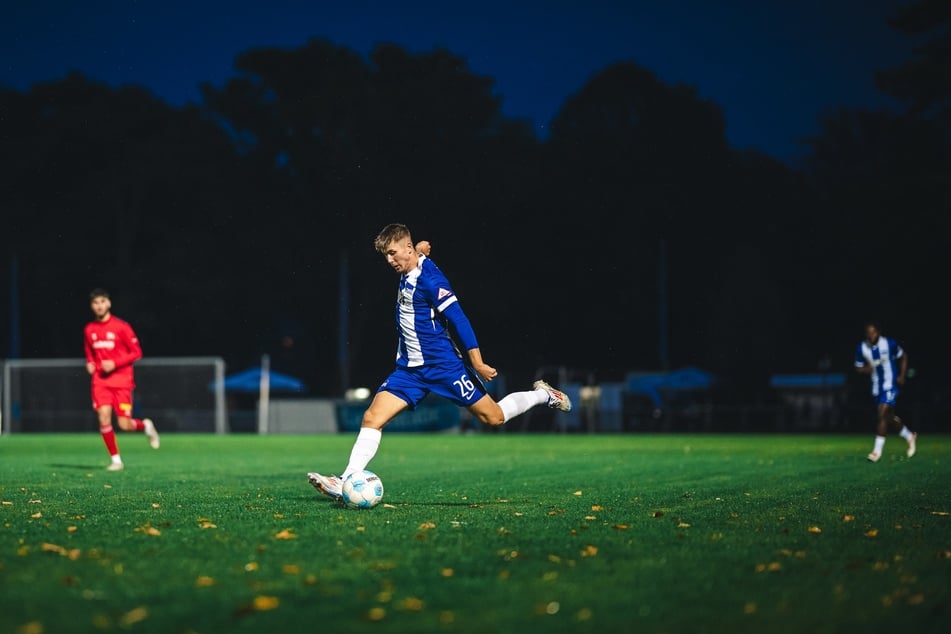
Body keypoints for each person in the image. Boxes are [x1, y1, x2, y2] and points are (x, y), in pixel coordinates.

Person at [308, 224, 572, 499]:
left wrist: (478, 363)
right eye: (386, 255)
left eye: (392, 253)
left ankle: (543, 395)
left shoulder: (431, 281)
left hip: (445, 367)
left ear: (407, 249)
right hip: (409, 370)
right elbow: (417, 254)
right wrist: (419, 249)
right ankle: (346, 480)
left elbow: (459, 319)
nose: (389, 261)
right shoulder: (411, 261)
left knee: (494, 417)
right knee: (372, 417)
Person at [84, 288, 160, 470]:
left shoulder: (121, 327)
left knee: (124, 425)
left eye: (102, 302)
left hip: (121, 382)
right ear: (91, 306)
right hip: (100, 381)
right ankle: (116, 460)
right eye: (95, 303)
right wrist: (90, 363)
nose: (99, 306)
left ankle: (146, 426)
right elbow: (89, 352)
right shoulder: (89, 329)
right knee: (103, 418)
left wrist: (114, 363)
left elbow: (137, 352)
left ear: (108, 303)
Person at [854, 320, 915, 462]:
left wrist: (902, 375)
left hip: (890, 384)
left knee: (882, 414)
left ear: (878, 332)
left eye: (873, 332)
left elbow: (903, 356)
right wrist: (864, 370)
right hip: (876, 387)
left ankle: (876, 452)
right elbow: (857, 367)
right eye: (868, 333)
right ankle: (909, 436)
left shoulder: (889, 344)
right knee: (888, 417)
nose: (871, 336)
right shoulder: (862, 348)